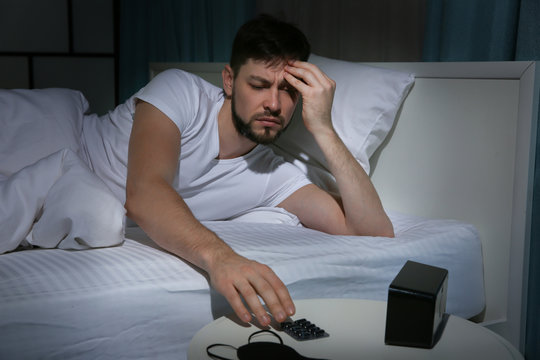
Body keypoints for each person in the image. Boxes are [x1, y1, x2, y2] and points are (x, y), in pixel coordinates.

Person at [115, 14, 394, 328]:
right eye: (259, 85)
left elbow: (373, 233)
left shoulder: (273, 175)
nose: (274, 104)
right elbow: (143, 192)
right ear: (230, 81)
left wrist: (324, 128)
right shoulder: (182, 92)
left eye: (288, 91)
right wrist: (221, 257)